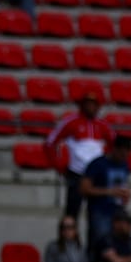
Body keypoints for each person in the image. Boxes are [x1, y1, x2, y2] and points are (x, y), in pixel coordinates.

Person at [46, 91, 113, 229]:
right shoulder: (71, 122)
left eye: (94, 104)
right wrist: (59, 165)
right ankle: (68, 245)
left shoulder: (103, 125)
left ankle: (95, 248)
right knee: (71, 213)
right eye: (88, 104)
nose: (91, 107)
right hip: (76, 173)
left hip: (96, 177)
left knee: (96, 215)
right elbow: (50, 143)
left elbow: (114, 145)